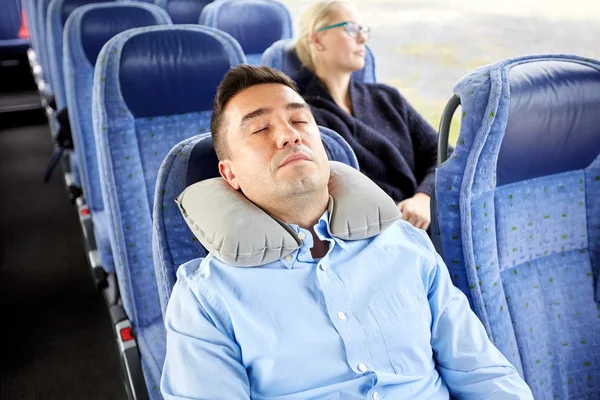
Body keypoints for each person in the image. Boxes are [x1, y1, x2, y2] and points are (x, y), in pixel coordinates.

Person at [160, 65, 533, 400]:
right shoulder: (205, 299)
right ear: (230, 175)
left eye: (300, 122)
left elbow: (484, 374)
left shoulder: (407, 247)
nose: (289, 136)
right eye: (260, 128)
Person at [295, 0, 441, 231]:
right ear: (317, 39)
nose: (362, 38)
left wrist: (424, 197)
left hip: (426, 220)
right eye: (350, 29)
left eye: (363, 30)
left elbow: (443, 154)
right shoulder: (301, 117)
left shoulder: (387, 97)